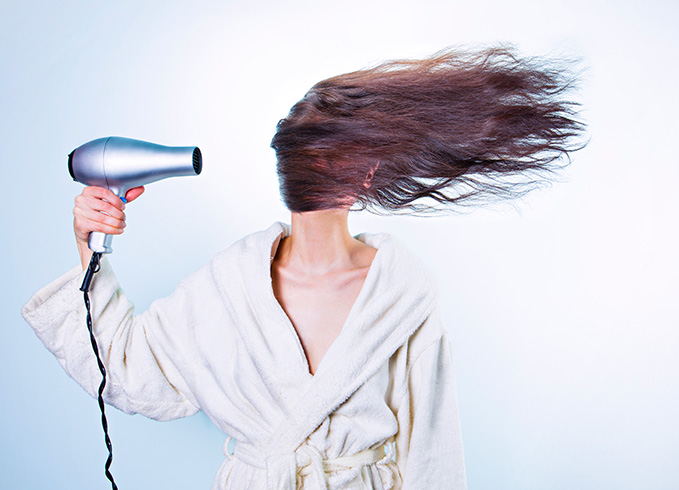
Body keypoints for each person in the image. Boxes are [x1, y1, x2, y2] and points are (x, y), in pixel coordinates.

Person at [22, 47, 584, 489]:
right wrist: (86, 245)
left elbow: (433, 455)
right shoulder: (229, 287)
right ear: (366, 176)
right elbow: (127, 373)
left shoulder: (401, 295)